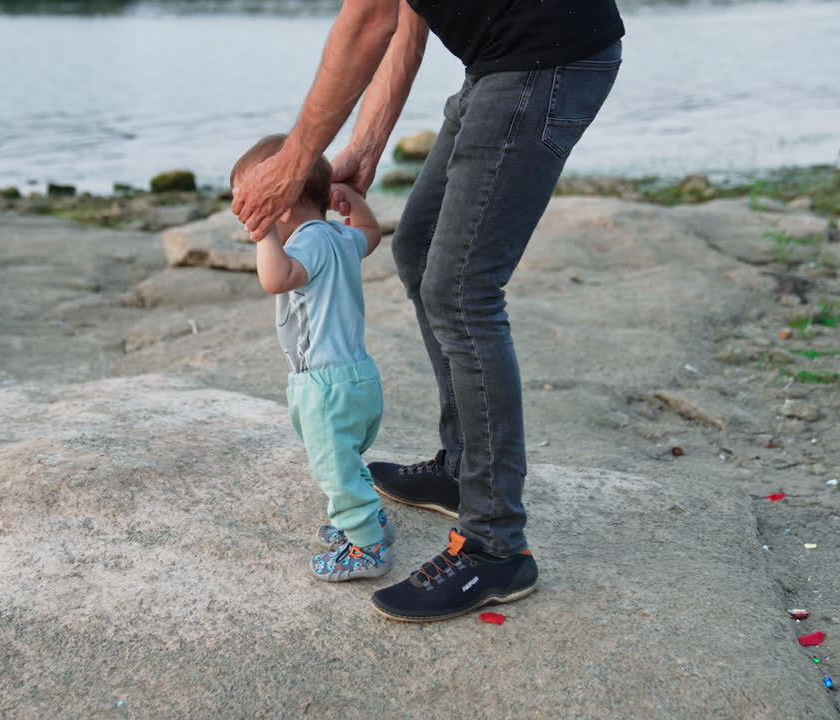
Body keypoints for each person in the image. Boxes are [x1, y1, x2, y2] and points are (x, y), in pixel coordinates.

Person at [231, 1, 624, 622]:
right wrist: (365, 143)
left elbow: (368, 24)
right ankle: (464, 466)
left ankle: (495, 545)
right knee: (418, 246)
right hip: (497, 64)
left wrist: (295, 163)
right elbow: (407, 15)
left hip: (548, 59)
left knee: (462, 290)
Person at [231, 134, 393, 582]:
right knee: (347, 457)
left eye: (249, 204)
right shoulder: (339, 235)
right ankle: (367, 519)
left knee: (335, 469)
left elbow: (277, 278)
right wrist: (355, 202)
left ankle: (367, 547)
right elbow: (370, 234)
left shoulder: (309, 242)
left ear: (279, 205)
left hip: (324, 385)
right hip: (357, 377)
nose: (246, 216)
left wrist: (262, 235)